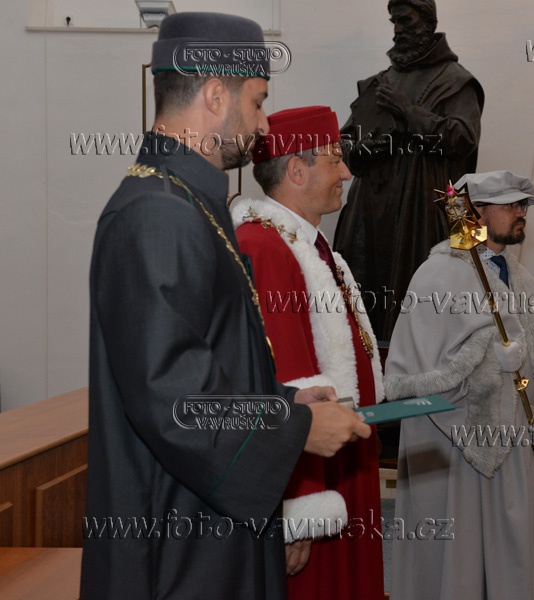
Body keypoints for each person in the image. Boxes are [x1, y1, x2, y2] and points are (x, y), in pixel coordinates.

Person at [82, 14, 371, 600]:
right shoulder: (154, 214)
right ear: (216, 95)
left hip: (207, 526)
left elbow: (212, 364)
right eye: (258, 102)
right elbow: (176, 402)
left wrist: (284, 401)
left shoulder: (187, 202)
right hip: (176, 546)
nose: (263, 124)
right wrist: (295, 429)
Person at [385, 170, 534, 599]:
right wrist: (488, 364)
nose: (521, 212)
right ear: (474, 212)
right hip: (457, 456)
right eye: (511, 205)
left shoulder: (523, 280)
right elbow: (411, 381)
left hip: (516, 455)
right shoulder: (436, 277)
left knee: (516, 564)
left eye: (523, 205)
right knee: (460, 568)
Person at [231, 105, 384, 599]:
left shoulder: (311, 248)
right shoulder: (265, 247)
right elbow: (287, 383)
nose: (347, 173)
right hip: (317, 477)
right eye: (335, 160)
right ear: (296, 170)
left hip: (342, 465)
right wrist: (301, 507)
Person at [333, 0, 484, 342]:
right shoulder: (380, 82)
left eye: (405, 20)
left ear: (428, 22)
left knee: (426, 320)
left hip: (424, 213)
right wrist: (364, 147)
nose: (398, 29)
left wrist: (409, 112)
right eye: (394, 22)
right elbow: (343, 144)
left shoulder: (457, 81)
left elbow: (463, 139)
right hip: (370, 214)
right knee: (362, 320)